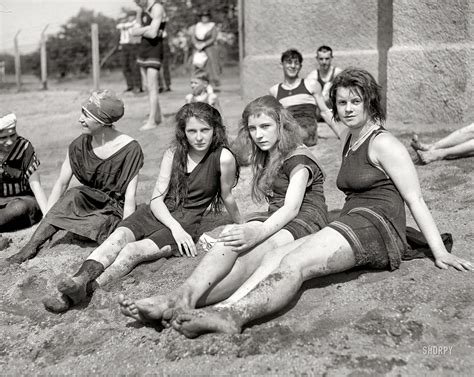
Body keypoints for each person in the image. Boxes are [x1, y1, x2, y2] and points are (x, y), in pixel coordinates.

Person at [157, 68, 472, 338]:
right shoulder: (350, 136)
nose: (347, 109)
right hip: (352, 220)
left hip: (378, 224)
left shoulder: (384, 143)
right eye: (342, 102)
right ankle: (221, 306)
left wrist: (440, 251)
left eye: (355, 101)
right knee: (278, 254)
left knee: (296, 263)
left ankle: (234, 316)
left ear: (370, 102)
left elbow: (414, 198)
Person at [119, 95, 329, 326]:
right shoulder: (270, 151)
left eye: (266, 126)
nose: (259, 134)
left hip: (304, 220)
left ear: (282, 125)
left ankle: (198, 305)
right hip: (277, 218)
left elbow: (291, 208)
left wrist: (258, 233)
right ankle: (182, 297)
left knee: (254, 256)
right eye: (253, 128)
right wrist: (244, 226)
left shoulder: (299, 158)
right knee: (230, 241)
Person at [42, 102, 242, 313]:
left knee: (131, 251)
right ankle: (78, 280)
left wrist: (242, 224)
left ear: (215, 130)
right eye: (192, 131)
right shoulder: (173, 153)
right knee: (117, 239)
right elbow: (157, 199)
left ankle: (80, 293)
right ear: (183, 132)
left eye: (205, 130)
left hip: (186, 221)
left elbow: (227, 195)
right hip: (157, 212)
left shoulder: (224, 158)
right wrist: (174, 227)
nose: (199, 137)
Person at [8, 90, 144, 264]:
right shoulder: (78, 145)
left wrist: (124, 234)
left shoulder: (130, 149)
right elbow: (61, 183)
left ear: (103, 122)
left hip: (114, 207)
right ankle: (30, 247)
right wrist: (47, 219)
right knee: (74, 193)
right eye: (82, 112)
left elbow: (130, 197)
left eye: (87, 116)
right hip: (87, 201)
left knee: (100, 225)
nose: (80, 119)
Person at [269, 49, 340, 147]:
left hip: (309, 139)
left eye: (296, 63)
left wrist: (341, 135)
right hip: (289, 140)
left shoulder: (311, 84)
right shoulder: (274, 90)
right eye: (289, 62)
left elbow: (325, 112)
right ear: (282, 65)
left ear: (300, 66)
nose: (293, 66)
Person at [0, 113, 48, 249]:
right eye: (3, 138)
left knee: (18, 208)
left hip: (23, 202)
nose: (9, 142)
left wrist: (47, 217)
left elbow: (36, 184)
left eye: (12, 135)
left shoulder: (24, 147)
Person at [131, 0, 167, 131]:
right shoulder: (142, 9)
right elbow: (133, 32)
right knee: (147, 86)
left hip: (154, 50)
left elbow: (153, 34)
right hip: (143, 50)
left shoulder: (157, 7)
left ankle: (152, 121)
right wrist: (145, 28)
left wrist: (140, 30)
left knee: (153, 87)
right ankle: (159, 116)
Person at [190, 10, 220, 88]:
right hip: (198, 47)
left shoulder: (212, 26)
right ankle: (196, 81)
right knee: (196, 63)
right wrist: (196, 44)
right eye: (203, 17)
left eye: (206, 17)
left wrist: (204, 44)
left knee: (211, 64)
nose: (204, 18)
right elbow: (193, 36)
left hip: (208, 46)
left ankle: (212, 82)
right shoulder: (197, 26)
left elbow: (213, 38)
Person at [116, 10, 143, 94]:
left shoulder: (136, 23)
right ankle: (130, 85)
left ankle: (138, 86)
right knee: (125, 66)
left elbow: (131, 25)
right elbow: (118, 26)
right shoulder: (124, 24)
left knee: (134, 66)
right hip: (124, 46)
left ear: (134, 16)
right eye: (128, 16)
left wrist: (126, 24)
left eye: (131, 16)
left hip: (132, 45)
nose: (129, 18)